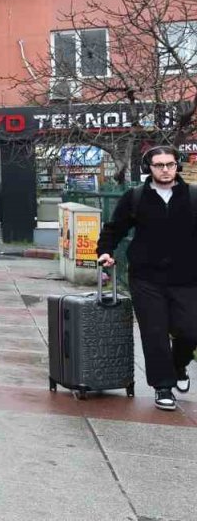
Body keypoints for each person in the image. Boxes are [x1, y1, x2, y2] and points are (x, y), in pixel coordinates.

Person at [96, 146, 197, 412]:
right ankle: (163, 386)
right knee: (154, 332)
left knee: (190, 330)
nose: (165, 169)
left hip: (187, 277)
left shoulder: (193, 196)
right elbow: (114, 228)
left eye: (170, 164)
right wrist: (105, 252)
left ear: (178, 166)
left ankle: (179, 366)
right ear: (148, 168)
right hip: (145, 277)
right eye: (159, 165)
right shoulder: (136, 197)